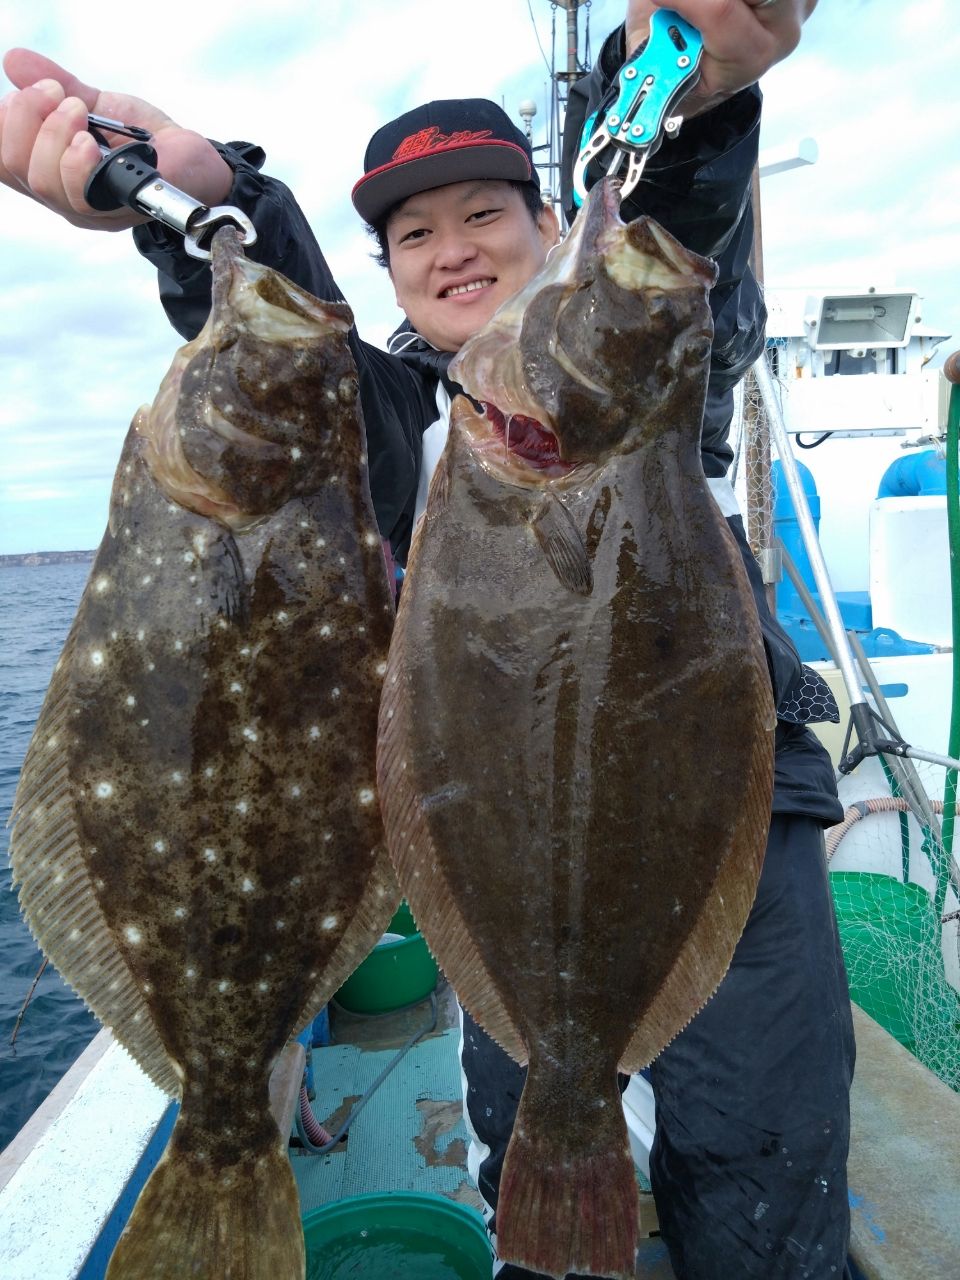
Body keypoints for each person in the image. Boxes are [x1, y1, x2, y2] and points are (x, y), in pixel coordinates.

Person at [1, 3, 854, 1277]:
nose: (454, 249)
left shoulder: (647, 383)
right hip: (501, 856)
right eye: (414, 232)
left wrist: (691, 100)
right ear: (390, 272)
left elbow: (677, 248)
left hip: (720, 828)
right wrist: (216, 198)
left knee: (762, 1157)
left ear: (553, 226)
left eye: (485, 215)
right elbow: (292, 365)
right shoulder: (391, 424)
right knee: (532, 1138)